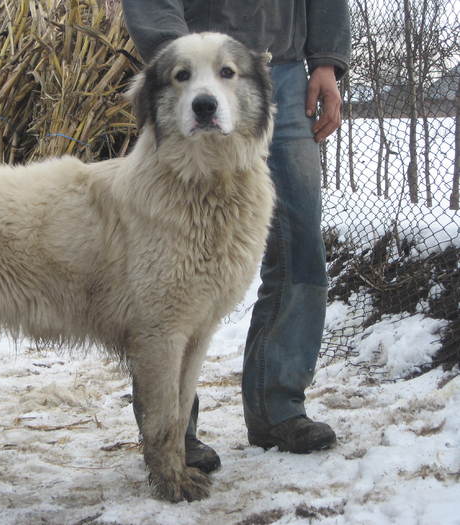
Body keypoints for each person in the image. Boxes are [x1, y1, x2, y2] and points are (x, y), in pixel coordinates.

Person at [121, 0, 351, 473]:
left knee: (301, 251)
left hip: (278, 71)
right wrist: (180, 64)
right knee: (168, 270)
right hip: (191, 67)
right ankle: (172, 431)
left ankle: (278, 409)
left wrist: (325, 60)